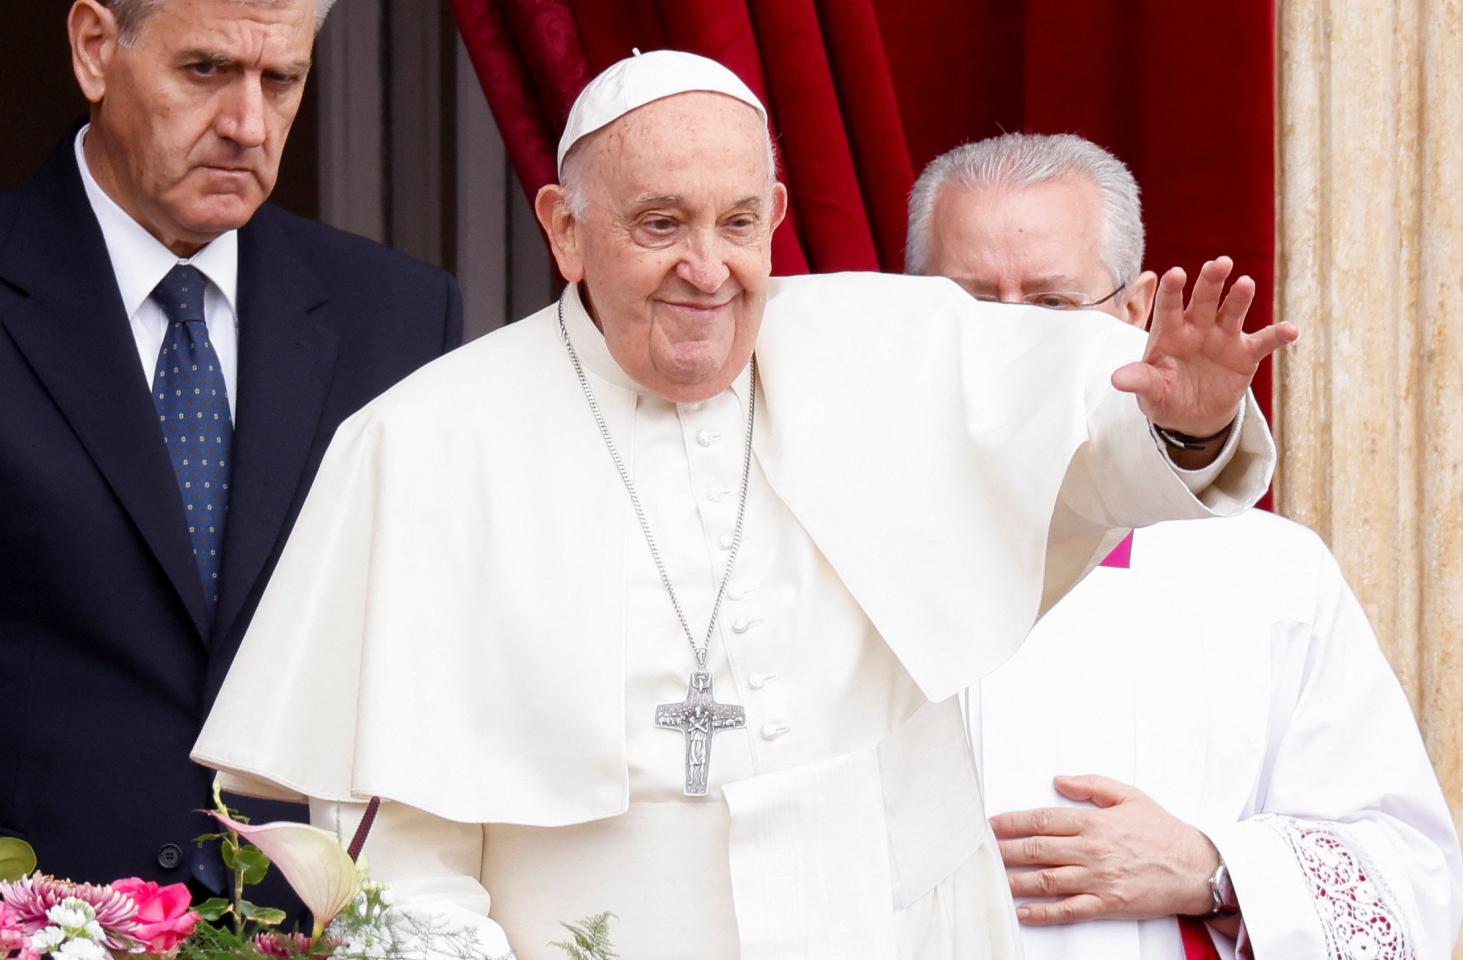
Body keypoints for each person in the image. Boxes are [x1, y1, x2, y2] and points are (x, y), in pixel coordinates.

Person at [191, 51, 1294, 960]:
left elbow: (1084, 462)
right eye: (659, 225)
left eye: (734, 223)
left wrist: (1188, 423)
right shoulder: (425, 443)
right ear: (564, 229)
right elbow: (404, 848)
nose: (707, 269)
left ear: (773, 214)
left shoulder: (890, 347)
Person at [909, 131, 1463, 959]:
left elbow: (1413, 884)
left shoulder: (1268, 576)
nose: (1010, 341)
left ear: (1133, 314)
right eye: (975, 303)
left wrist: (1212, 868)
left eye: (1053, 305)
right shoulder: (831, 550)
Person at [0, 0, 462, 897]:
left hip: (318, 933)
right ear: (96, 50)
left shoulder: (401, 321)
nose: (248, 125)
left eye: (280, 80)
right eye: (206, 70)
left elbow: (440, 663)